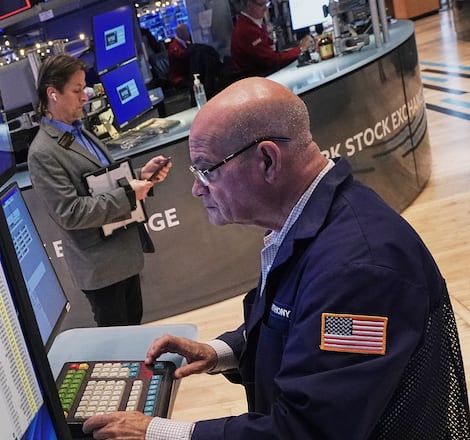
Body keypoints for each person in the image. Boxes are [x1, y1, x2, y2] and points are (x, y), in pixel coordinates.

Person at [83, 77, 470, 438]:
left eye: (206, 171)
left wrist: (158, 431)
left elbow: (309, 429)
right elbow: (308, 333)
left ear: (267, 160)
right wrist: (223, 352)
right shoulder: (310, 225)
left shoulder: (356, 270)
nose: (197, 190)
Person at [27, 54, 172, 327]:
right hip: (100, 267)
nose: (85, 97)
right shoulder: (42, 152)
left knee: (134, 331)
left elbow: (103, 180)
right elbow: (70, 212)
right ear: (52, 94)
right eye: (77, 90)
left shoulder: (81, 131)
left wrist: (141, 175)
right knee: (120, 348)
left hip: (123, 255)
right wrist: (129, 194)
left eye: (85, 89)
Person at [230, 0, 311, 78]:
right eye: (261, 5)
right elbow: (272, 61)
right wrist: (300, 49)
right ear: (248, 5)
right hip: (256, 79)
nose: (265, 8)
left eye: (266, 3)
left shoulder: (252, 22)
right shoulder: (247, 30)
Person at [167, 23, 192, 90]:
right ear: (181, 32)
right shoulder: (173, 47)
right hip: (179, 79)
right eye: (187, 31)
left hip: (188, 75)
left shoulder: (186, 43)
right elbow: (183, 56)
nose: (188, 33)